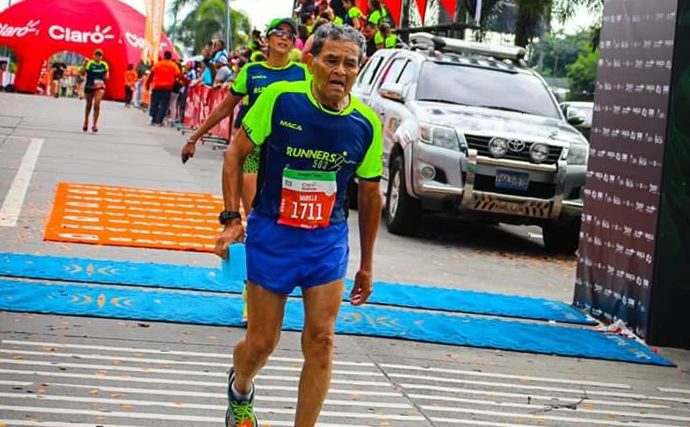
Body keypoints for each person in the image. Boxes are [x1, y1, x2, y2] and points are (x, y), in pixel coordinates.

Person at [214, 23, 382, 427]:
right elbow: (235, 154)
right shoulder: (280, 98)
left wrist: (366, 264)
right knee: (261, 343)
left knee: (322, 340)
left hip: (326, 241)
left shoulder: (367, 123)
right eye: (331, 60)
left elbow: (370, 195)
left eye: (350, 64)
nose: (340, 71)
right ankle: (240, 389)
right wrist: (232, 218)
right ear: (310, 62)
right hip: (274, 234)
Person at [181, 17, 308, 215]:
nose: (284, 37)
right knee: (254, 216)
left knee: (284, 218)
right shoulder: (251, 71)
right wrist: (194, 138)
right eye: (279, 33)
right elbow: (224, 108)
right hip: (253, 148)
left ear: (293, 43)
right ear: (267, 40)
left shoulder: (303, 73)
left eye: (290, 35)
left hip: (288, 152)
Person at [147, 51, 183, 126]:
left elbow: (151, 74)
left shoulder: (158, 64)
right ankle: (159, 121)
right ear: (170, 57)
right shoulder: (173, 65)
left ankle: (152, 119)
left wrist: (147, 84)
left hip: (156, 87)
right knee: (164, 105)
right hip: (167, 88)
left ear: (164, 56)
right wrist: (184, 82)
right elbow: (179, 75)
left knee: (154, 103)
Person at [81, 50, 109, 132]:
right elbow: (82, 73)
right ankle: (86, 121)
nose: (98, 57)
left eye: (99, 55)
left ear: (101, 57)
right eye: (96, 55)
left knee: (97, 104)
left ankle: (95, 124)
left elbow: (107, 76)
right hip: (89, 85)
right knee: (88, 105)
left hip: (99, 86)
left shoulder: (104, 64)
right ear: (93, 56)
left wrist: (105, 77)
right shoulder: (90, 63)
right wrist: (84, 64)